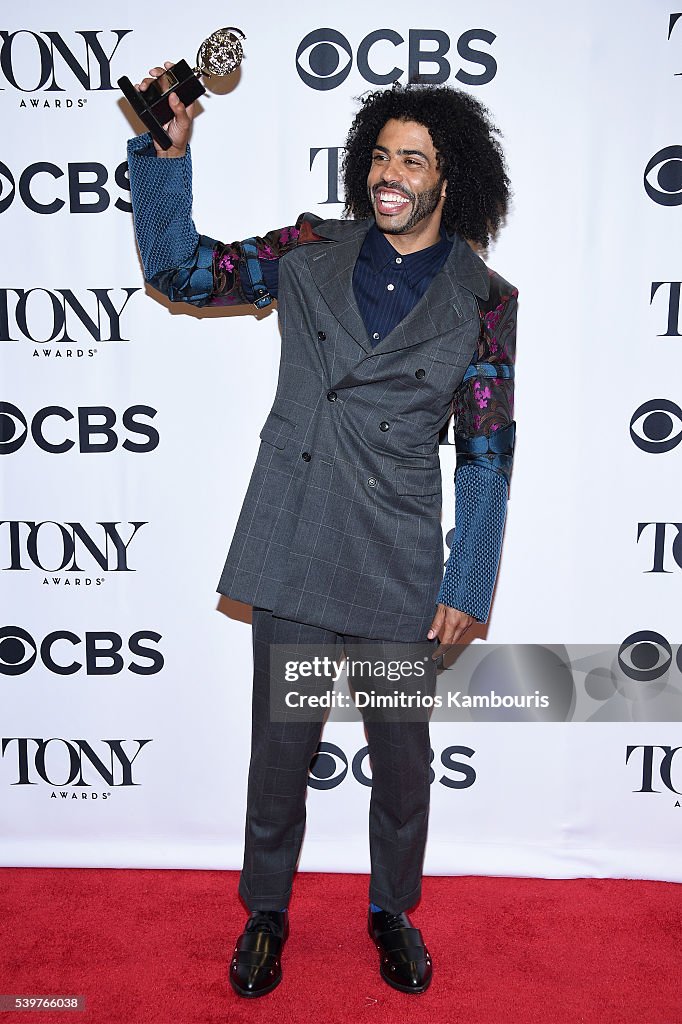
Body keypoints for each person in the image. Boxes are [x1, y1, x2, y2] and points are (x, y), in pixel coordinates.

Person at [126, 70, 517, 998]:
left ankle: (392, 912)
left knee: (402, 758)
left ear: (448, 179)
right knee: (281, 749)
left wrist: (470, 581)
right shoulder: (309, 252)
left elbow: (488, 450)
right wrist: (165, 156)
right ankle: (265, 912)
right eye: (379, 155)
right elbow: (183, 273)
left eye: (412, 160)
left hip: (396, 555)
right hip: (300, 538)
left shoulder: (485, 298)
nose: (390, 173)